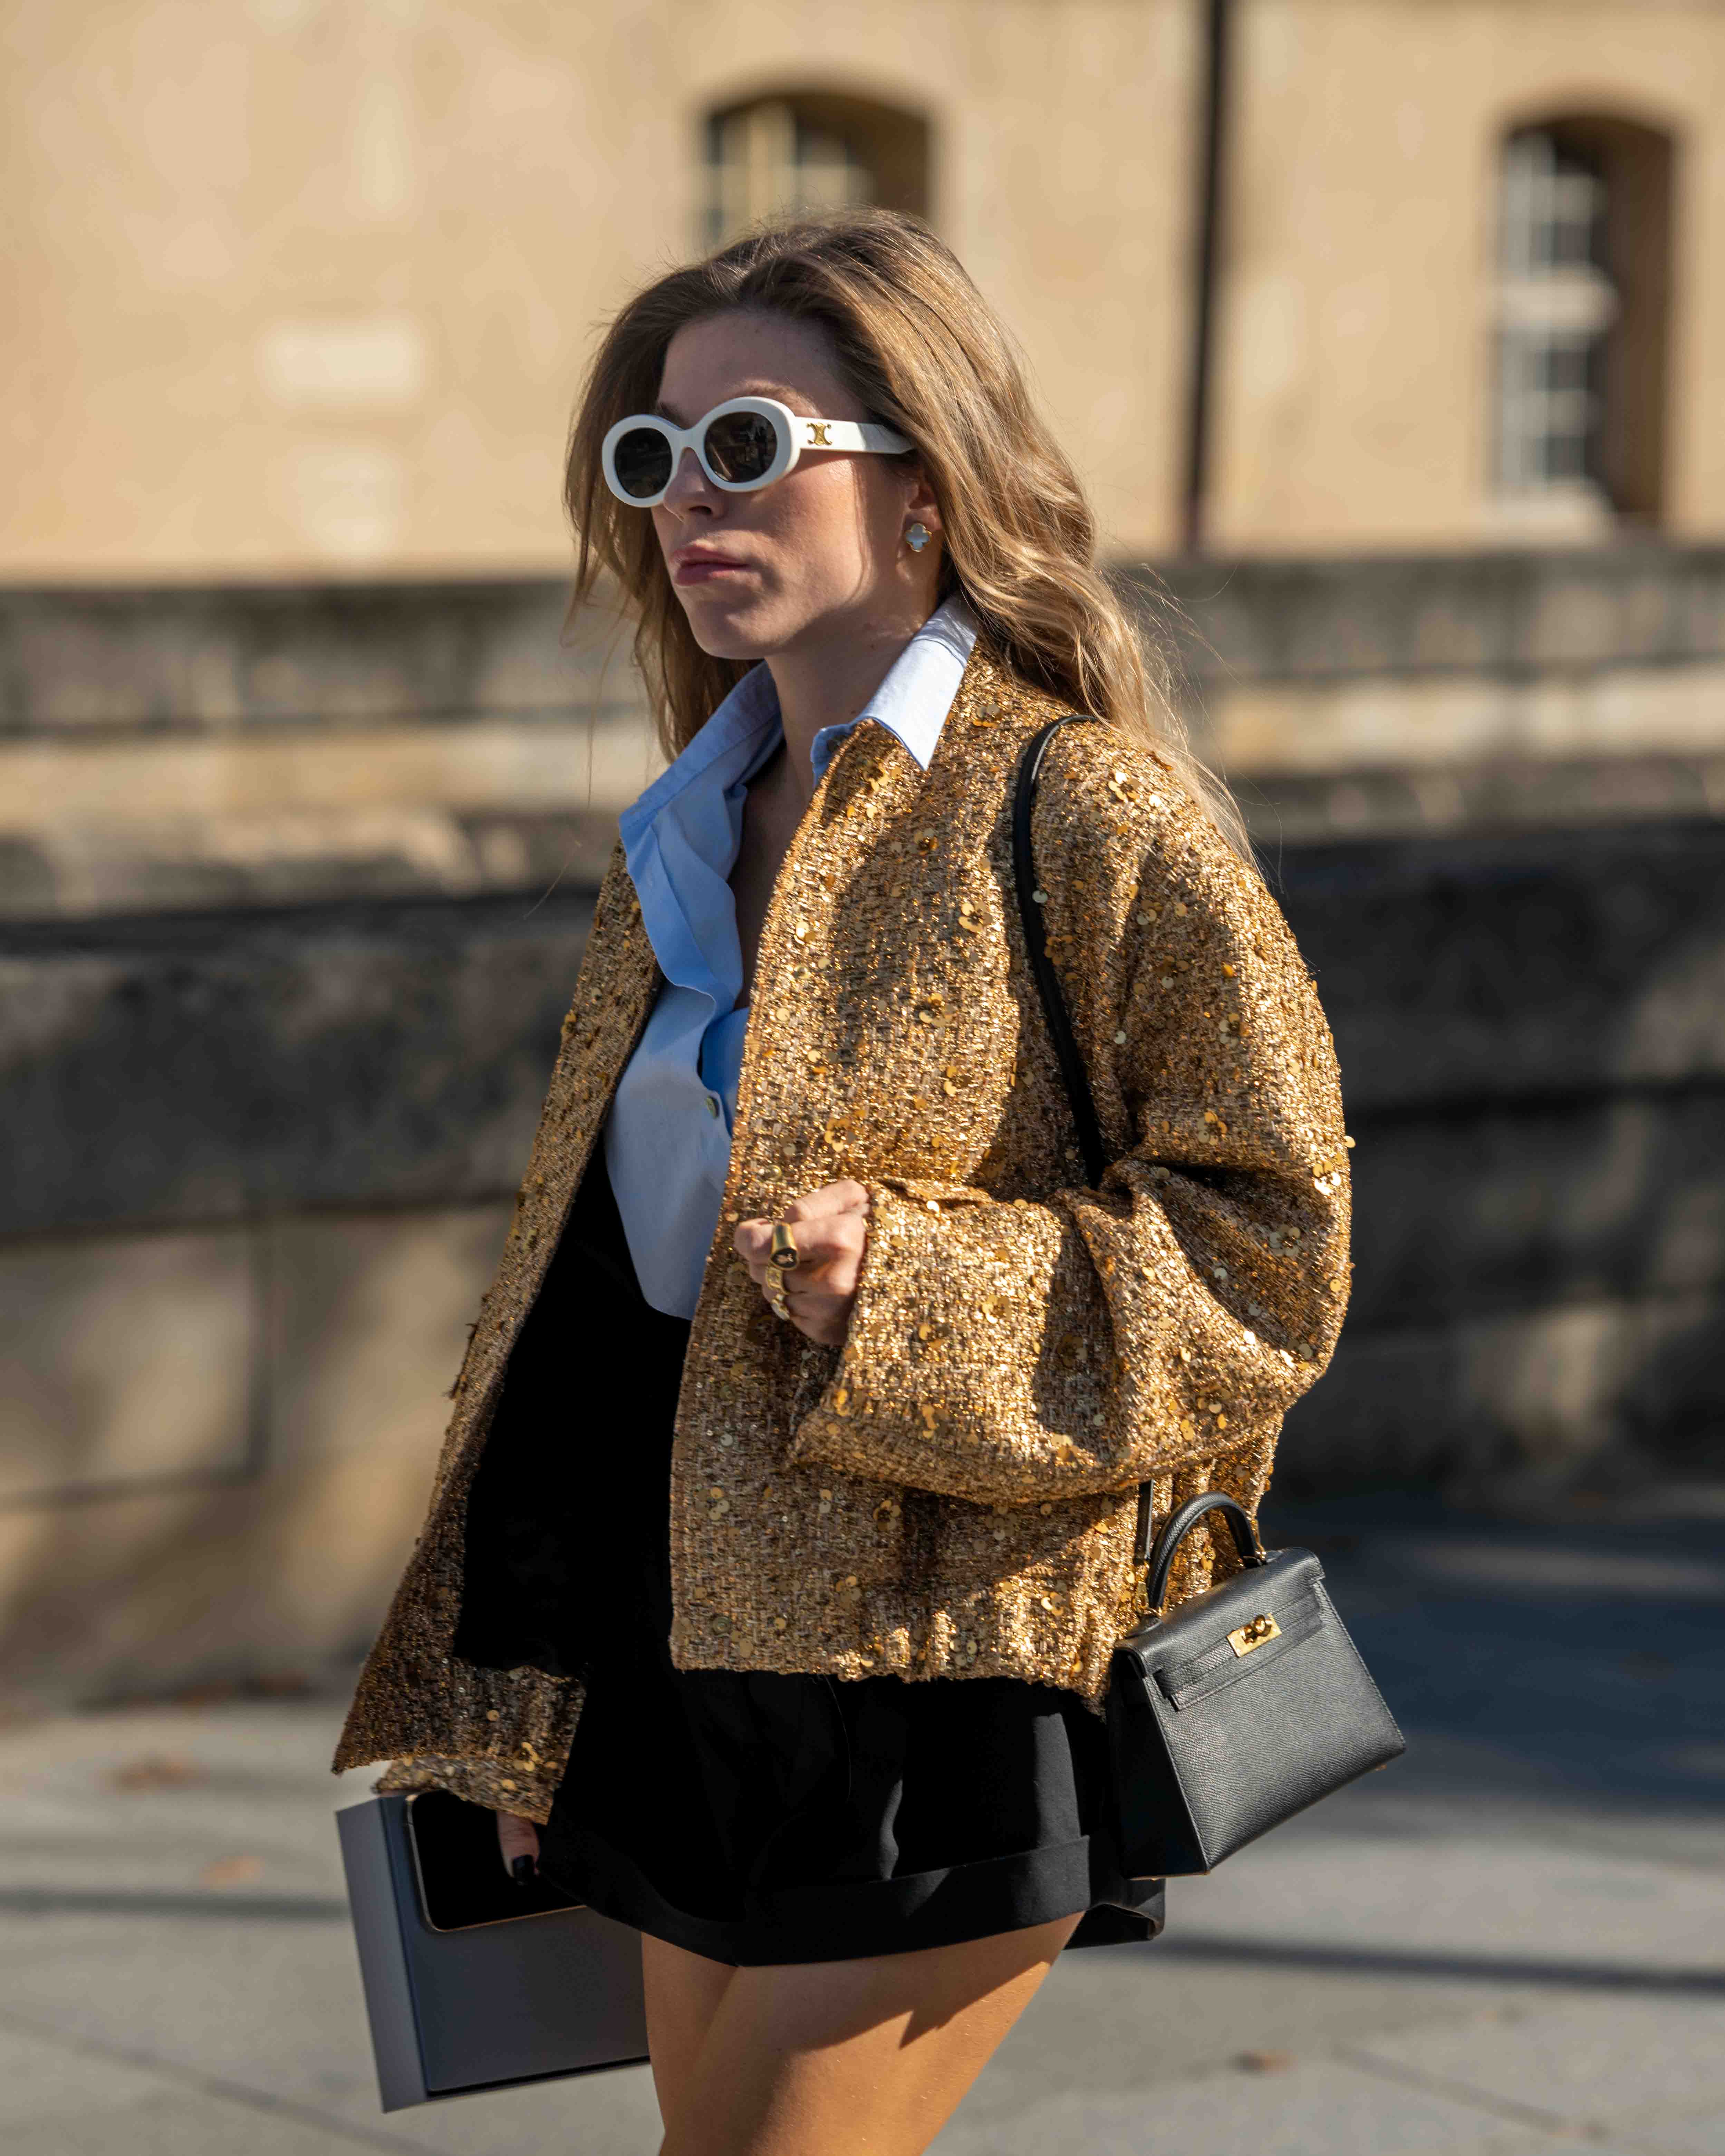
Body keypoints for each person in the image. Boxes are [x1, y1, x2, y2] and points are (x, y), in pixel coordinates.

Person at [334, 207, 1351, 2156]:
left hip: (948, 1672)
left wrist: (903, 1283)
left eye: (746, 445)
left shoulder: (1086, 812)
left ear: (922, 484)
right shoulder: (684, 826)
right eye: (651, 457)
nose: (684, 501)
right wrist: (540, 1691)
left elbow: (1272, 1252)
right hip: (670, 1660)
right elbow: (593, 1310)